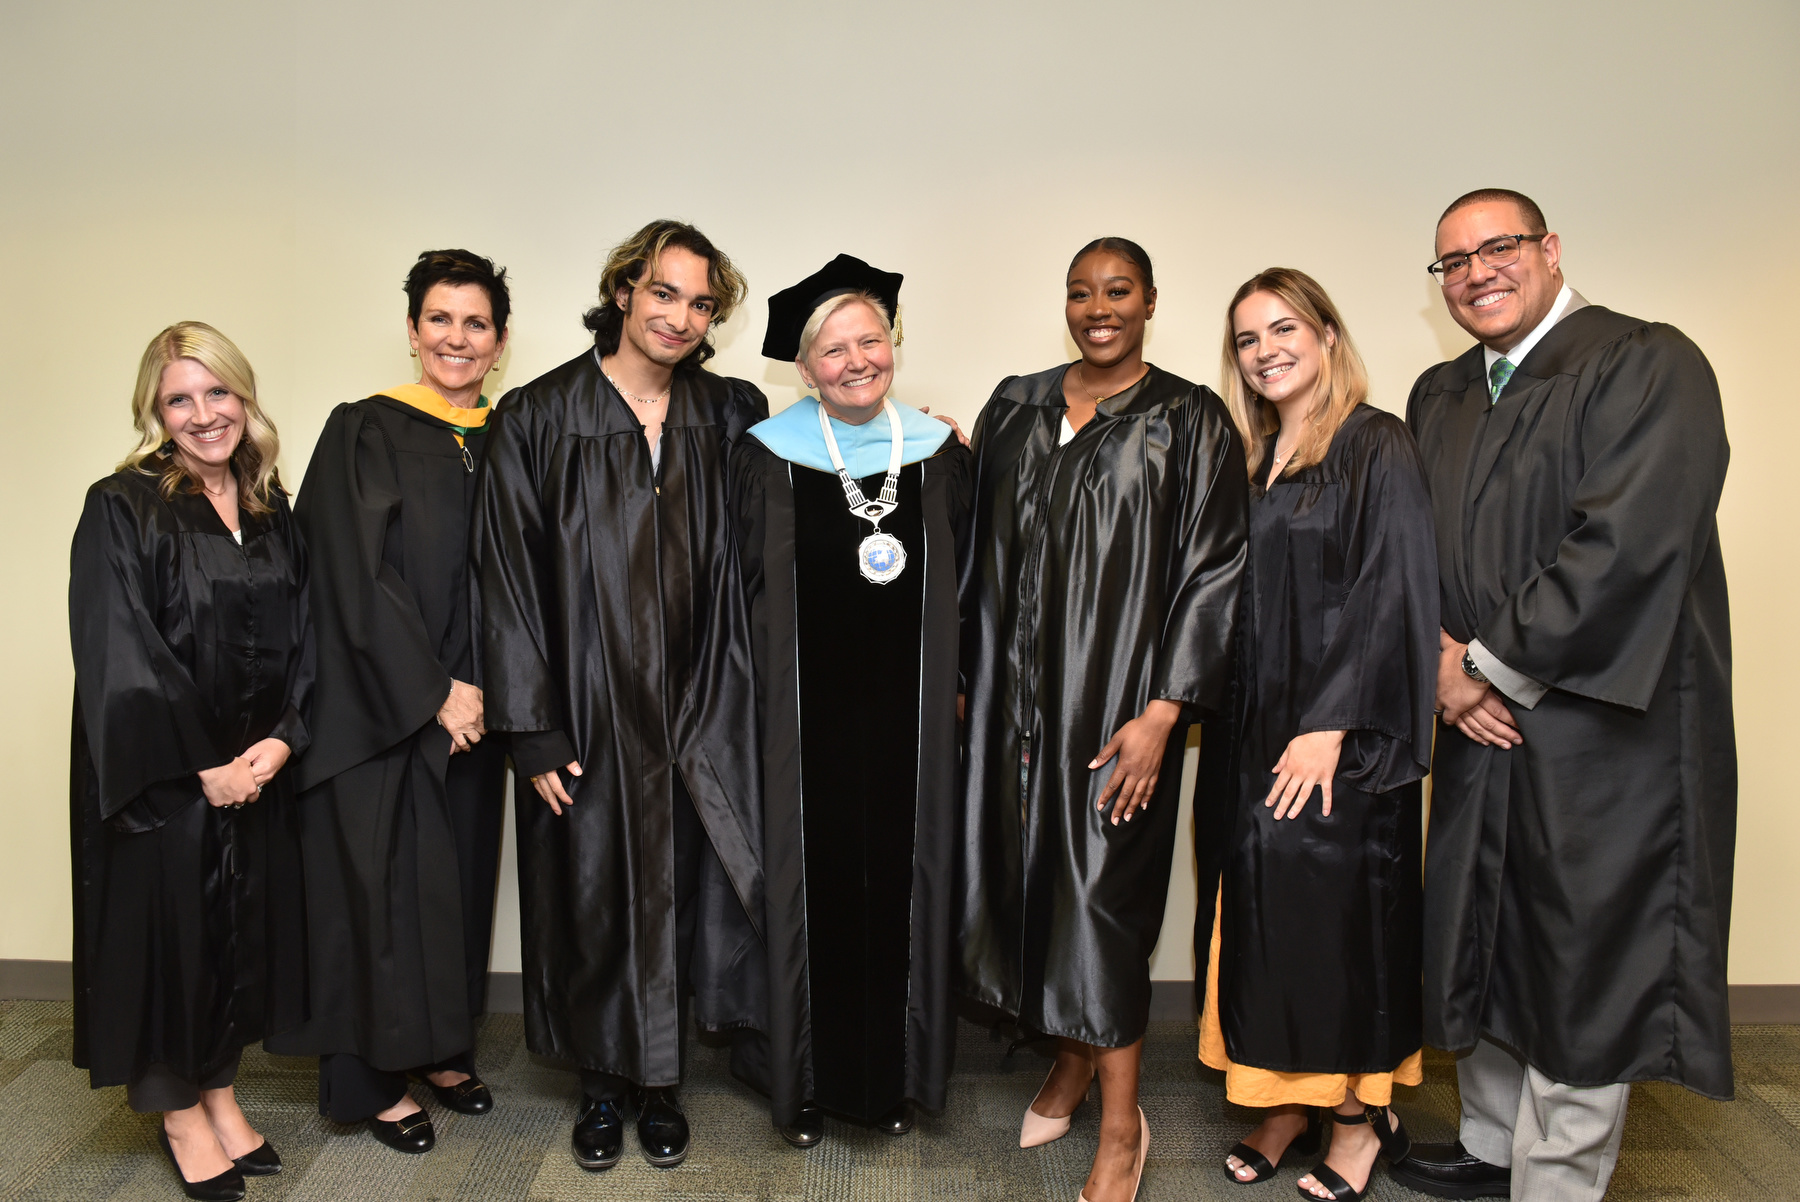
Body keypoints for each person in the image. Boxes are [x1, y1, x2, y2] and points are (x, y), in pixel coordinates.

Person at [1392, 189, 1735, 1202]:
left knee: (1585, 960)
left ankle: (1558, 1180)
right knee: (1487, 937)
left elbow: (1623, 547)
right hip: (1476, 722)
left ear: (1548, 249)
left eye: (1496, 248)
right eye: (1451, 261)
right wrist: (1440, 671)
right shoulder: (1442, 392)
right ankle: (1493, 1147)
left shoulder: (1646, 361)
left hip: (1602, 736)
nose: (1475, 273)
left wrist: (1482, 665)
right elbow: (1408, 553)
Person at [473, 219, 768, 1172]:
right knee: (591, 890)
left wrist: (931, 448)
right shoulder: (539, 416)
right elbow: (506, 576)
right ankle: (603, 1085)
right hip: (586, 707)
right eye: (663, 293)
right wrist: (530, 725)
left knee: (683, 890)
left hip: (698, 705)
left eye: (699, 302)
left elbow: (794, 513)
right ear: (625, 292)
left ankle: (661, 1081)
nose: (679, 316)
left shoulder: (729, 414)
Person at [960, 237, 1249, 1202]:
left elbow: (1216, 572)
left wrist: (1165, 714)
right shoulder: (1017, 403)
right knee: (1028, 889)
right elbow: (973, 546)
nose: (1098, 307)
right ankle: (1073, 1062)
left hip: (1117, 708)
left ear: (1152, 300)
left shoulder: (1189, 419)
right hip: (1010, 708)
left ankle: (1122, 1131)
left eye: (1117, 290)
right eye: (1081, 291)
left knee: (1101, 906)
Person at [1198, 269, 1438, 1201]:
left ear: (1328, 335)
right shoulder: (1255, 452)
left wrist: (1331, 723)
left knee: (1342, 927)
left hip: (1338, 733)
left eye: (1284, 328)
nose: (1267, 351)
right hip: (1256, 728)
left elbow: (1394, 590)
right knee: (1270, 919)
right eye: (1249, 339)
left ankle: (1356, 1121)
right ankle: (1290, 1103)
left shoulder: (1376, 444)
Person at [265, 250, 513, 1151]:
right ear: (412, 330)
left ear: (500, 342)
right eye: (439, 319)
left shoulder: (508, 435)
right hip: (384, 706)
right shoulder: (364, 429)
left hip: (481, 708)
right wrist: (436, 689)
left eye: (475, 323)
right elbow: (349, 575)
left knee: (454, 884)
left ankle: (443, 1049)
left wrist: (488, 691)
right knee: (377, 890)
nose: (456, 337)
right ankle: (369, 1080)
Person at [731, 255, 972, 1147]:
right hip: (805, 730)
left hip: (911, 731)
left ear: (893, 347)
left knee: (908, 885)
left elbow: (973, 587)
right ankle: (808, 1088)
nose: (855, 360)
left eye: (870, 340)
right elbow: (740, 598)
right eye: (832, 350)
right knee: (814, 893)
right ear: (805, 369)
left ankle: (899, 1081)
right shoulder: (764, 458)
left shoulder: (939, 454)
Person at [69, 322, 311, 1201]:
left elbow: (309, 630)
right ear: (155, 410)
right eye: (181, 398)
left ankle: (220, 1090)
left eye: (219, 393)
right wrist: (206, 766)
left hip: (257, 767)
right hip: (165, 776)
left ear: (243, 397)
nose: (204, 414)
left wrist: (283, 737)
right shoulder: (122, 503)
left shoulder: (270, 504)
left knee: (231, 939)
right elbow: (119, 650)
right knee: (167, 938)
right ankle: (177, 1111)